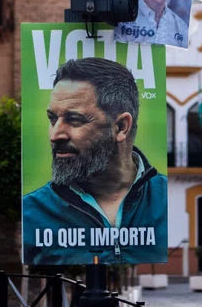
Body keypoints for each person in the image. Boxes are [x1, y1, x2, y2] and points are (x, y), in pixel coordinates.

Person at [22, 57, 167, 265]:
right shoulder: (32, 211)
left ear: (121, 127)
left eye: (74, 120)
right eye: (53, 119)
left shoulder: (165, 200)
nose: (55, 135)